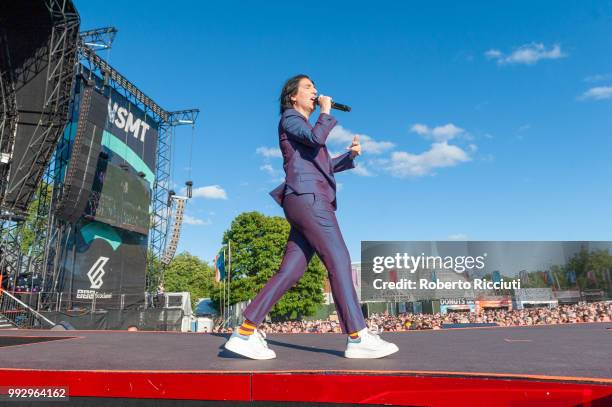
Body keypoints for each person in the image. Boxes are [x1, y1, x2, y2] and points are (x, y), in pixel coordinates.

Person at [224, 74, 398, 360]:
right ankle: (358, 336)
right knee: (339, 260)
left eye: (315, 89)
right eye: (308, 88)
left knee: (291, 270)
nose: (315, 92)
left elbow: (322, 164)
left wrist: (349, 156)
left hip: (303, 199)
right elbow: (317, 138)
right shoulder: (290, 119)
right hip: (309, 200)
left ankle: (245, 332)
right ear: (293, 96)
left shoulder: (302, 126)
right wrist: (326, 112)